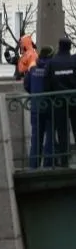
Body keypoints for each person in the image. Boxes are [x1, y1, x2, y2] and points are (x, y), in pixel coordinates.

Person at [45, 36, 76, 167]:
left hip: (58, 102)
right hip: (74, 101)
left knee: (62, 133)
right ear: (70, 47)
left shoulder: (52, 62)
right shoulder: (74, 60)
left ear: (59, 46)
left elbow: (47, 83)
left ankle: (64, 161)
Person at [24, 45, 54, 168]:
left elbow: (26, 85)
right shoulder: (51, 68)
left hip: (36, 106)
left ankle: (33, 165)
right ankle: (48, 164)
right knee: (50, 137)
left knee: (36, 137)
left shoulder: (33, 69)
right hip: (50, 106)